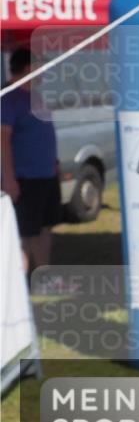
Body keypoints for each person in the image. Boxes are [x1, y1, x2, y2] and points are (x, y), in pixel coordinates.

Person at [1, 48, 61, 274]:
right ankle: (22, 283)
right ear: (28, 69)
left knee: (45, 226)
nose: (43, 72)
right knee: (27, 232)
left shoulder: (35, 97)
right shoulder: (8, 99)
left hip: (46, 174)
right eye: (39, 67)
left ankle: (44, 275)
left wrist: (54, 162)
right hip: (25, 178)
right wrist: (9, 179)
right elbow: (2, 142)